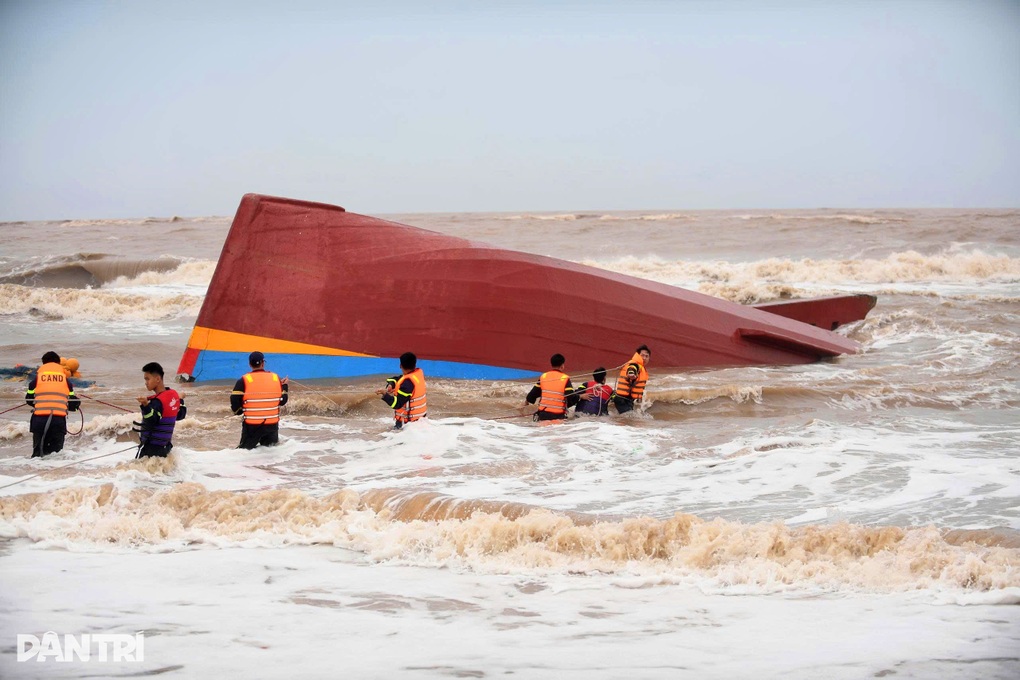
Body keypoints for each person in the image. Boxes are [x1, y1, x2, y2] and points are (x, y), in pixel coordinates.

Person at [25, 351, 80, 457]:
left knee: (37, 456)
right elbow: (73, 403)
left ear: (43, 364)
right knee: (56, 456)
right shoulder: (66, 380)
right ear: (58, 363)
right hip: (58, 421)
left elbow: (28, 399)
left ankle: (35, 471)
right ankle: (54, 472)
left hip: (39, 421)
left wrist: (39, 403)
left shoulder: (37, 379)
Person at [230, 351, 288, 449]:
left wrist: (238, 412)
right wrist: (285, 386)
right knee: (271, 455)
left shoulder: (243, 380)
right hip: (271, 426)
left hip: (252, 426)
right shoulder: (275, 378)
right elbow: (283, 401)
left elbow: (234, 400)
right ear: (263, 363)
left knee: (244, 455)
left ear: (249, 364)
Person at [135, 362, 186, 458]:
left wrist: (145, 405)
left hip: (151, 450)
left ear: (158, 379)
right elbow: (181, 415)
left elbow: (151, 421)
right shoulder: (173, 396)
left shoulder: (156, 402)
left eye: (147, 379)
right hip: (165, 448)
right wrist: (181, 399)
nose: (146, 382)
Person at [525, 353, 583, 421]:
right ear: (562, 366)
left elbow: (532, 394)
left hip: (543, 415)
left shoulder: (544, 376)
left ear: (551, 364)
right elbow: (571, 397)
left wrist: (527, 401)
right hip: (558, 416)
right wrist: (580, 396)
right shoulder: (565, 378)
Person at [376, 352, 427, 429]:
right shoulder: (417, 375)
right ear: (415, 365)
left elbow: (397, 404)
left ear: (400, 366)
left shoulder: (407, 384)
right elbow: (397, 379)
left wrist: (384, 394)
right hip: (420, 422)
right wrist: (391, 384)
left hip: (407, 426)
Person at [614, 345, 651, 414]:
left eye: (647, 356)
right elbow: (632, 368)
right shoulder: (635, 364)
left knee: (626, 420)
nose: (644, 358)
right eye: (642, 355)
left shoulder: (640, 366)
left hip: (626, 399)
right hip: (622, 399)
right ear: (638, 355)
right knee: (627, 420)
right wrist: (631, 374)